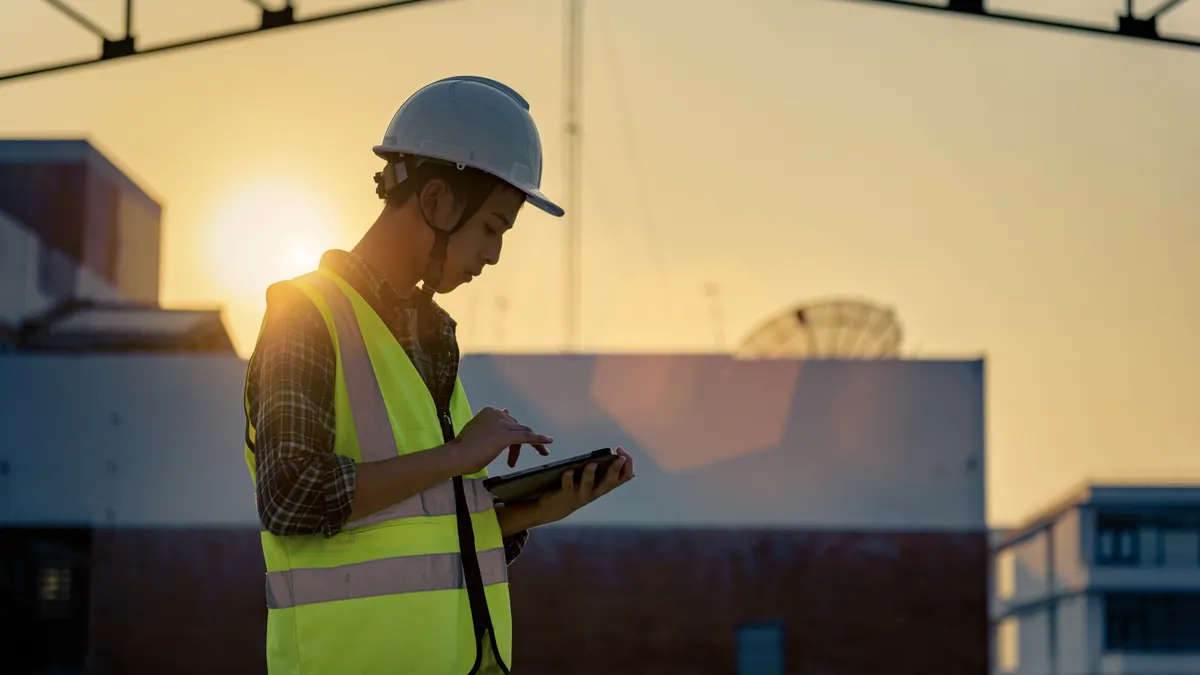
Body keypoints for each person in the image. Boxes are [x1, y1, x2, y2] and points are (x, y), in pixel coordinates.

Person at [241, 76, 635, 675]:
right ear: (435, 202)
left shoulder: (433, 339)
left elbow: (416, 538)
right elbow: (293, 497)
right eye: (493, 227)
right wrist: (460, 455)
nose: (495, 253)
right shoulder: (306, 316)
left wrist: (530, 513)